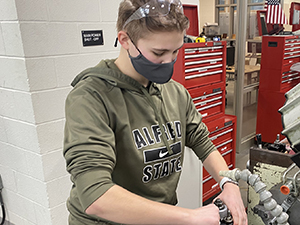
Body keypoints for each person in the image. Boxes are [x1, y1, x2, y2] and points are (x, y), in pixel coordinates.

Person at [63, 0, 247, 224]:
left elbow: (203, 143)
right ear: (125, 40)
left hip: (159, 217)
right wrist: (190, 216)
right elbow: (96, 196)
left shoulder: (175, 93)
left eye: (175, 51)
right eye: (158, 52)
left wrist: (228, 182)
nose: (168, 61)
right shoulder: (91, 97)